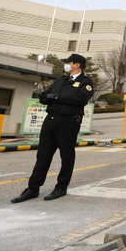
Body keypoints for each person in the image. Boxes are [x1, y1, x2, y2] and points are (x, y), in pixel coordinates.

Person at [11, 53, 94, 203]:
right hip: (51, 120)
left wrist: (56, 97)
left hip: (68, 122)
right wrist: (44, 97)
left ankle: (61, 187)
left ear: (77, 65)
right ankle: (33, 189)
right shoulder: (61, 80)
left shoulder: (85, 82)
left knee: (66, 156)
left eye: (68, 62)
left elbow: (80, 99)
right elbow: (48, 94)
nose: (66, 65)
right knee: (43, 156)